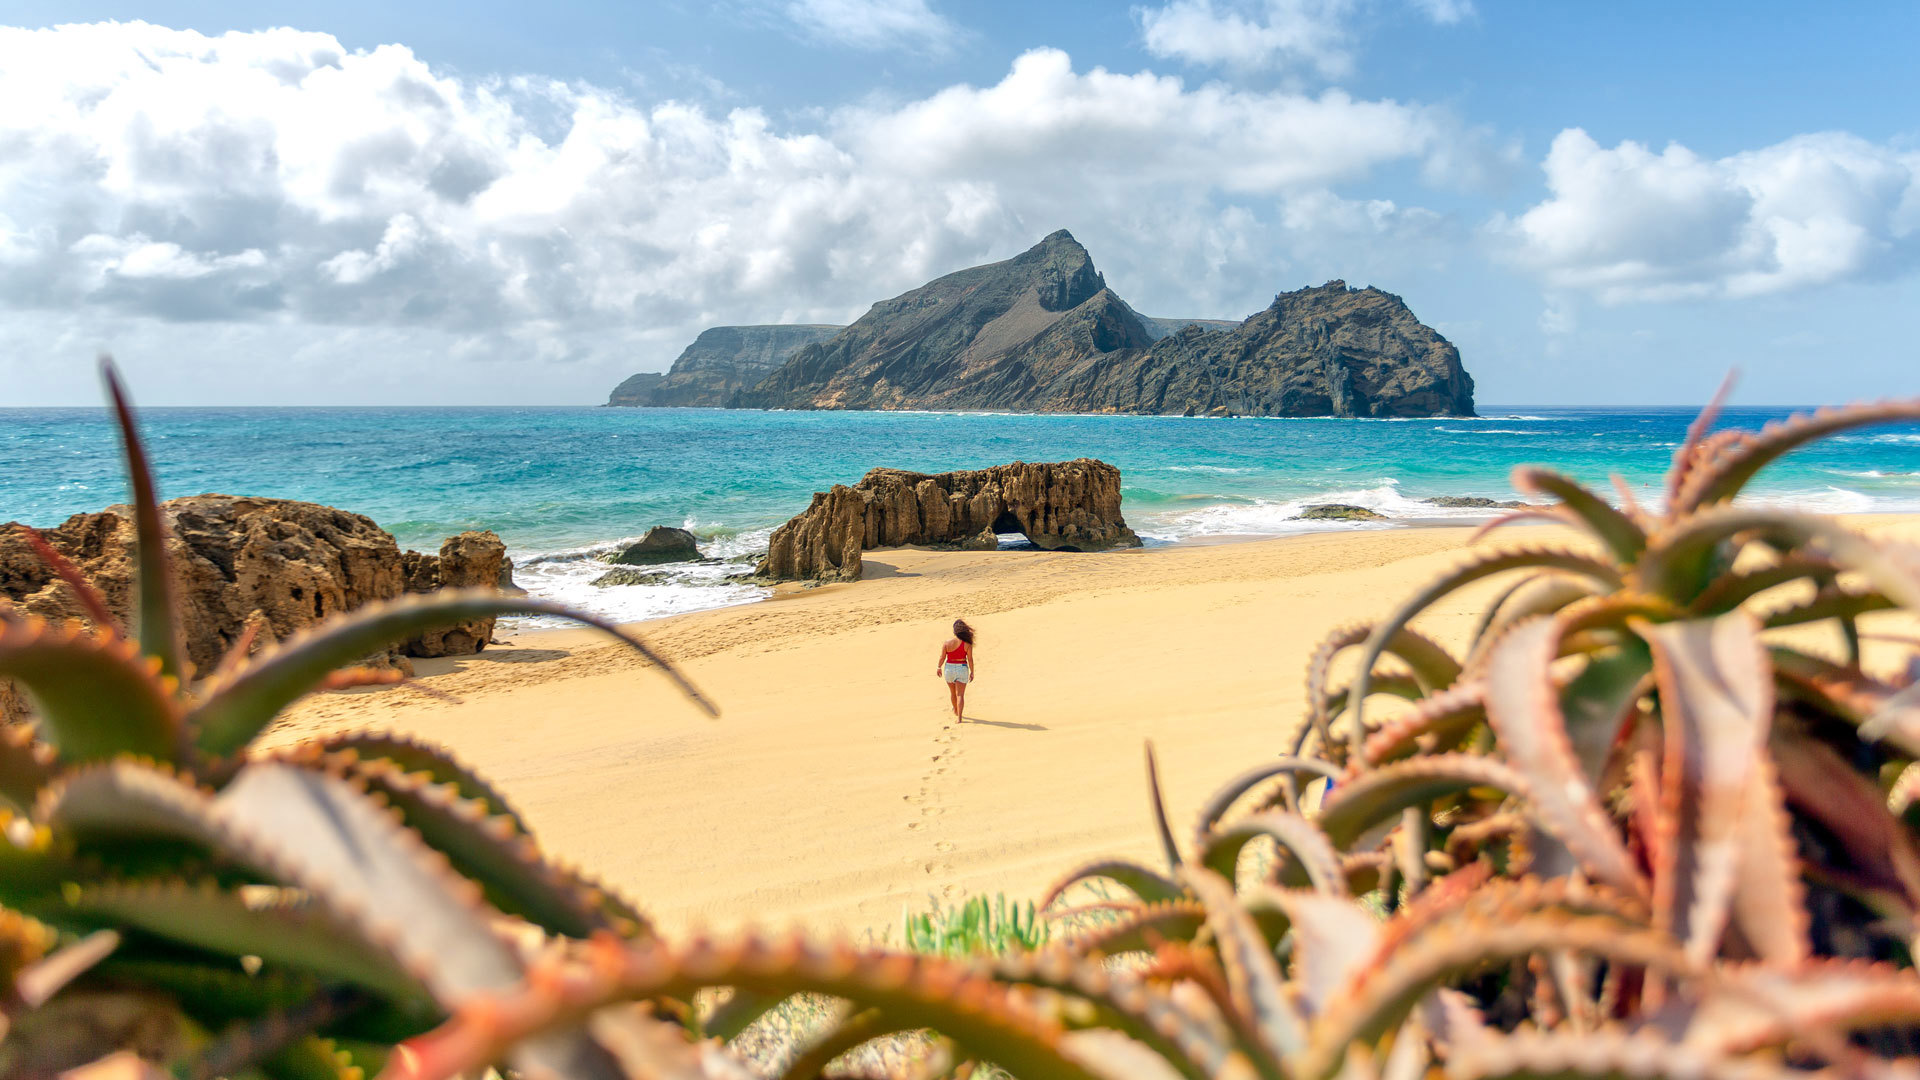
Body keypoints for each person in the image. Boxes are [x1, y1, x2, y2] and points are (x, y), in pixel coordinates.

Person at [935, 619, 976, 721]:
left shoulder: (947, 643)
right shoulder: (967, 644)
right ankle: (959, 718)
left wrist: (939, 667)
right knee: (960, 695)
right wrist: (972, 672)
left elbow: (942, 657)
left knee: (953, 693)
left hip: (949, 668)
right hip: (962, 667)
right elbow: (970, 659)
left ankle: (956, 711)